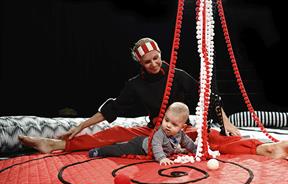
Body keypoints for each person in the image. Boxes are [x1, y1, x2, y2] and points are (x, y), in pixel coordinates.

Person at [19, 37, 288, 159]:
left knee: (214, 140)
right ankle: (54, 144)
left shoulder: (178, 75)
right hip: (154, 129)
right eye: (147, 61)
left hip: (182, 127)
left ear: (160, 52)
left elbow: (209, 96)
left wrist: (226, 122)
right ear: (140, 63)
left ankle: (264, 148)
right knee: (114, 134)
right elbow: (111, 110)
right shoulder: (135, 85)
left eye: (156, 57)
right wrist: (81, 126)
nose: (154, 63)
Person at [88, 102, 196, 165]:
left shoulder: (181, 134)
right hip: (140, 146)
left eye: (174, 124)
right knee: (120, 150)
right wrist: (162, 158)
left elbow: (189, 143)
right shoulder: (160, 133)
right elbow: (156, 146)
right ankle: (99, 151)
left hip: (143, 140)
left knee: (123, 145)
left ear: (183, 127)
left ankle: (120, 144)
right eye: (166, 120)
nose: (168, 125)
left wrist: (196, 150)